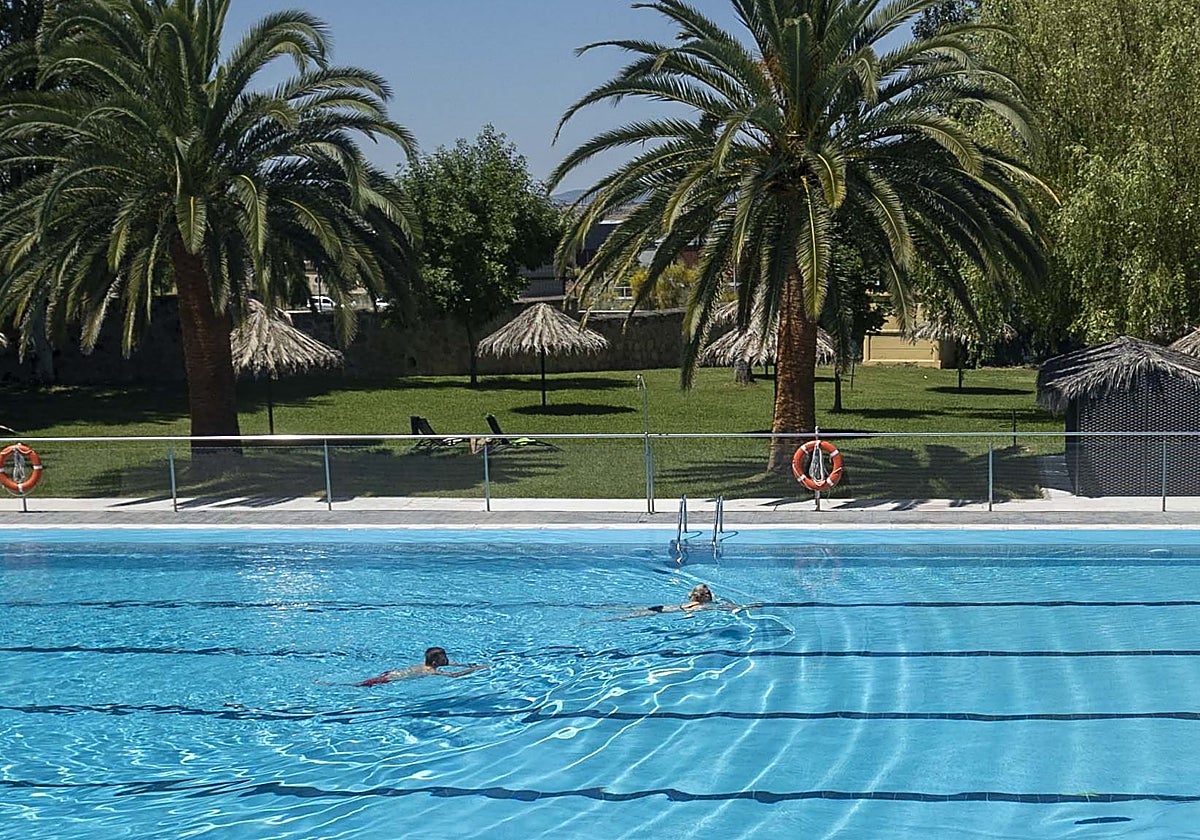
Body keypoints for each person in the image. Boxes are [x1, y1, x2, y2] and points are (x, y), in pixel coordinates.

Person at [356, 646, 487, 686]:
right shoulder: (430, 671)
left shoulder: (427, 664)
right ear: (436, 663)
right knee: (359, 684)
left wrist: (465, 664)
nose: (448, 661)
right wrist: (475, 669)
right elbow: (453, 675)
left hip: (392, 672)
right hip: (388, 679)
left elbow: (451, 664)